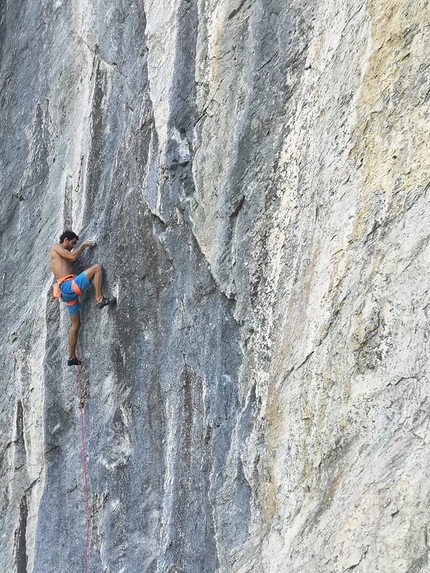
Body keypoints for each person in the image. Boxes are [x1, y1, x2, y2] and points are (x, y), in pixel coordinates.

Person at [49, 230, 116, 366]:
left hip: (66, 292)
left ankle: (71, 357)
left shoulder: (63, 254)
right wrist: (83, 246)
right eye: (72, 243)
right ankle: (100, 299)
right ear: (65, 240)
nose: (72, 247)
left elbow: (71, 257)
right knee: (97, 269)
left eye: (75, 245)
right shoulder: (56, 246)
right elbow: (73, 257)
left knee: (75, 324)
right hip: (67, 287)